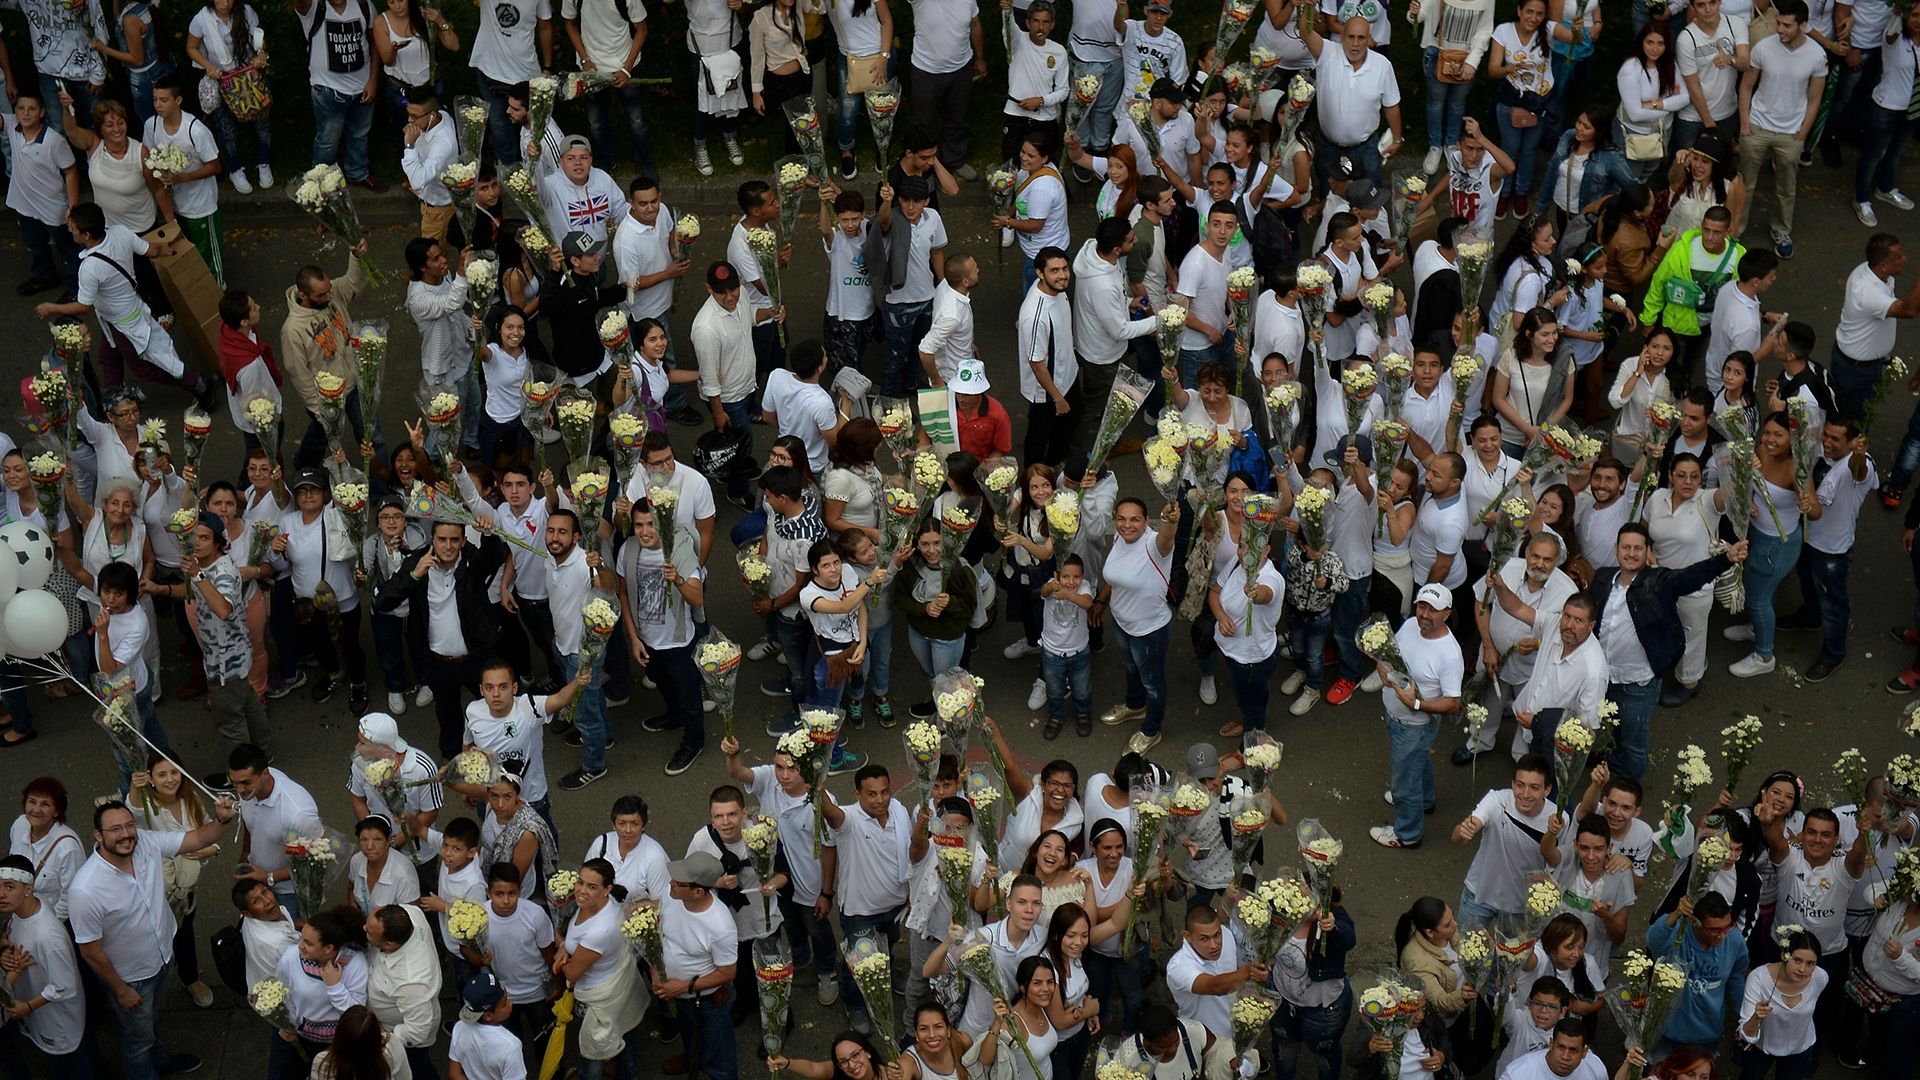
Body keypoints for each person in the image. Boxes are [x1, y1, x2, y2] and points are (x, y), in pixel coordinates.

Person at [69, 798, 237, 1080]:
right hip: (131, 978)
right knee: (137, 1042)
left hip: (162, 959)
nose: (126, 834)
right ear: (98, 835)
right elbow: (90, 952)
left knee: (150, 1023)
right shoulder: (85, 890)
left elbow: (196, 838)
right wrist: (121, 990)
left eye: (129, 825)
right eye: (115, 829)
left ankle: (161, 1063)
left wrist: (221, 820)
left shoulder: (145, 842)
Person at [374, 523, 512, 759]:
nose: (448, 546)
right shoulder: (418, 561)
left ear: (463, 540)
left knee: (494, 708)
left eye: (454, 540)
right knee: (447, 714)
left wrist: (489, 534)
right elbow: (384, 601)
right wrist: (414, 575)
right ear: (432, 539)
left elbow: (494, 557)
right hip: (438, 661)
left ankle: (503, 754)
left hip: (477, 657)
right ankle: (451, 758)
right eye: (442, 539)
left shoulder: (471, 561)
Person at [1775, 418, 1873, 681]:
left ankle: (1833, 654)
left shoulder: (1857, 466)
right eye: (1826, 435)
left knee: (1833, 603)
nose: (1827, 443)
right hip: (1807, 538)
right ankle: (1809, 617)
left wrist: (1860, 457)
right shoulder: (1821, 451)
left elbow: (1860, 471)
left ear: (1853, 442)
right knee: (1807, 582)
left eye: (1835, 439)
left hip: (1832, 550)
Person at [1372, 586, 1467, 854]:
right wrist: (1382, 665)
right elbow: (1393, 655)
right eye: (1421, 606)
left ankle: (1408, 834)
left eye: (1432, 610)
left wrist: (1415, 703)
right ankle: (1425, 800)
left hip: (1414, 726)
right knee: (1418, 762)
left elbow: (1452, 702)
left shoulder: (1449, 655)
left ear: (1447, 614)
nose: (1424, 615)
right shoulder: (1412, 624)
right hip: (1397, 717)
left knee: (1404, 782)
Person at [619, 496, 708, 777]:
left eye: (651, 525)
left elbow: (697, 599)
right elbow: (623, 592)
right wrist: (633, 639)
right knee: (660, 681)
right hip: (646, 638)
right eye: (639, 525)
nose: (645, 532)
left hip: (678, 642)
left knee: (689, 695)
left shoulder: (680, 553)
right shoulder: (628, 550)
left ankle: (693, 742)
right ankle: (674, 715)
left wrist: (678, 580)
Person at [1735, 0, 1825, 260]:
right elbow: (1746, 86)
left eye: (1787, 25)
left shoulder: (1817, 55)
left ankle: (1781, 230)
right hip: (1757, 126)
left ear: (1803, 26)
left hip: (1791, 133)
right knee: (1745, 183)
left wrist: (1802, 133)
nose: (1780, 29)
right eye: (1779, 23)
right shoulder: (1763, 48)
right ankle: (1736, 229)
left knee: (1786, 187)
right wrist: (1744, 124)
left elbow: (1815, 99)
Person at [0, 852, 89, 1073]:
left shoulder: (49, 937)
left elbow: (64, 987)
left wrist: (26, 1007)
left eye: (9, 887)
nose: (0, 894)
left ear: (28, 889)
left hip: (57, 1025)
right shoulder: (21, 913)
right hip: (39, 1017)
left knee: (70, 1069)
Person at [655, 850, 738, 1080]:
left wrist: (683, 987)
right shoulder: (672, 895)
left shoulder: (720, 926)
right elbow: (660, 934)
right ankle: (691, 1058)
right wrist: (656, 971)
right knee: (690, 1034)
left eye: (679, 882)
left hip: (707, 1002)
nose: (671, 883)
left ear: (699, 891)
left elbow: (728, 973)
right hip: (678, 994)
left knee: (720, 1055)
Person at [1298, 13, 1403, 183]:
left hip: (1365, 149)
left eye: (1361, 38)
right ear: (1342, 36)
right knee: (1329, 198)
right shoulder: (1327, 52)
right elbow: (1305, 31)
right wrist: (1309, 6)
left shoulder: (1383, 66)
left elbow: (1391, 105)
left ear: (1369, 38)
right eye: (1351, 37)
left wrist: (1397, 139)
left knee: (1367, 199)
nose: (1355, 44)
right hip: (1328, 148)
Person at [297, 0, 386, 192]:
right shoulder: (313, 7)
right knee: (328, 140)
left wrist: (373, 80)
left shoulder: (364, 5)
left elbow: (375, 43)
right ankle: (321, 181)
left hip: (362, 88)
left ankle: (357, 173)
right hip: (328, 91)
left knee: (359, 135)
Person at [1648, 891, 1749, 1056]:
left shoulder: (1735, 940)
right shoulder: (1679, 932)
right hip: (1666, 1032)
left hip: (1707, 1034)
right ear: (1695, 922)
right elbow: (1653, 942)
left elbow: (1736, 980)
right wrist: (1675, 914)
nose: (1722, 935)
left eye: (1727, 926)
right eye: (1714, 930)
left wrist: (1743, 1018)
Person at [6, 91, 82, 299]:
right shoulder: (12, 126)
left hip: (53, 207)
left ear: (42, 112)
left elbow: (71, 170)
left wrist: (73, 206)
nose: (25, 113)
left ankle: (77, 289)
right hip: (24, 205)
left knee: (67, 250)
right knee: (35, 245)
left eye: (31, 109)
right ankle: (45, 276)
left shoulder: (54, 141)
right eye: (21, 108)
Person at [1733, 928, 1825, 1080]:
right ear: (1784, 955)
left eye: (1810, 963)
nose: (1803, 969)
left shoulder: (1820, 978)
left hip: (1799, 1048)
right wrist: (1756, 1017)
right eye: (1797, 960)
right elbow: (1746, 1034)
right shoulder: (1758, 978)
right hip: (1762, 1047)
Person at [361, 904, 440, 1080]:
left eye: (369, 932)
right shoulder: (411, 913)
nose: (363, 928)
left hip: (406, 1044)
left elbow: (416, 1032)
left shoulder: (412, 982)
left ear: (388, 944)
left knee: (418, 1070)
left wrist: (381, 1038)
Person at [399, 90, 460, 244]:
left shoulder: (443, 144)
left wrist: (409, 146)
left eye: (415, 116)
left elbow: (418, 180)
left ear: (432, 115)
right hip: (430, 196)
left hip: (437, 209)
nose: (409, 120)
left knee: (431, 256)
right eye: (409, 113)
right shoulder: (442, 116)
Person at [446, 970, 523, 1080]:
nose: (510, 1003)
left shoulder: (459, 1027)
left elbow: (454, 1073)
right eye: (505, 1002)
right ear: (488, 1016)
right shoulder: (510, 1046)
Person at [1497, 1022, 1605, 1080]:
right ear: (1551, 1044)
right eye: (1561, 1047)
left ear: (1584, 1052)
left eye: (1573, 1050)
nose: (1565, 1057)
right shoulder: (1517, 1074)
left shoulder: (1596, 1069)